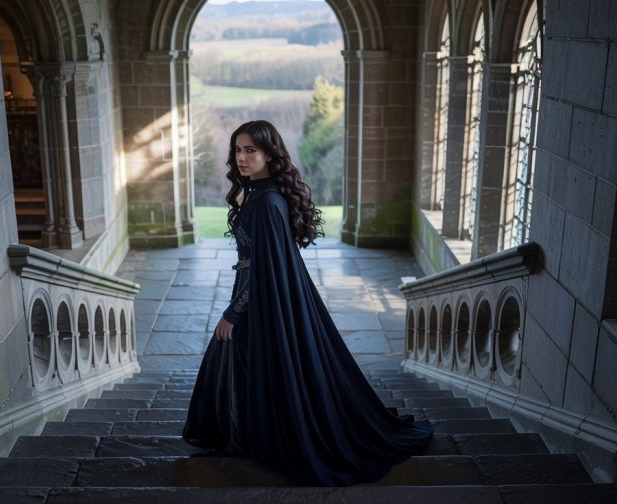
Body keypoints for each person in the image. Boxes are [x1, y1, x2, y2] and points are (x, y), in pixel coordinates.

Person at [182, 120, 433, 486]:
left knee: (241, 355)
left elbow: (263, 267)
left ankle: (266, 435)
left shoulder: (267, 202)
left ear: (270, 154)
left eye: (250, 150)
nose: (241, 157)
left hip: (263, 294)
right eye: (237, 149)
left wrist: (233, 312)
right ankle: (254, 433)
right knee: (243, 363)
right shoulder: (259, 193)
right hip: (268, 291)